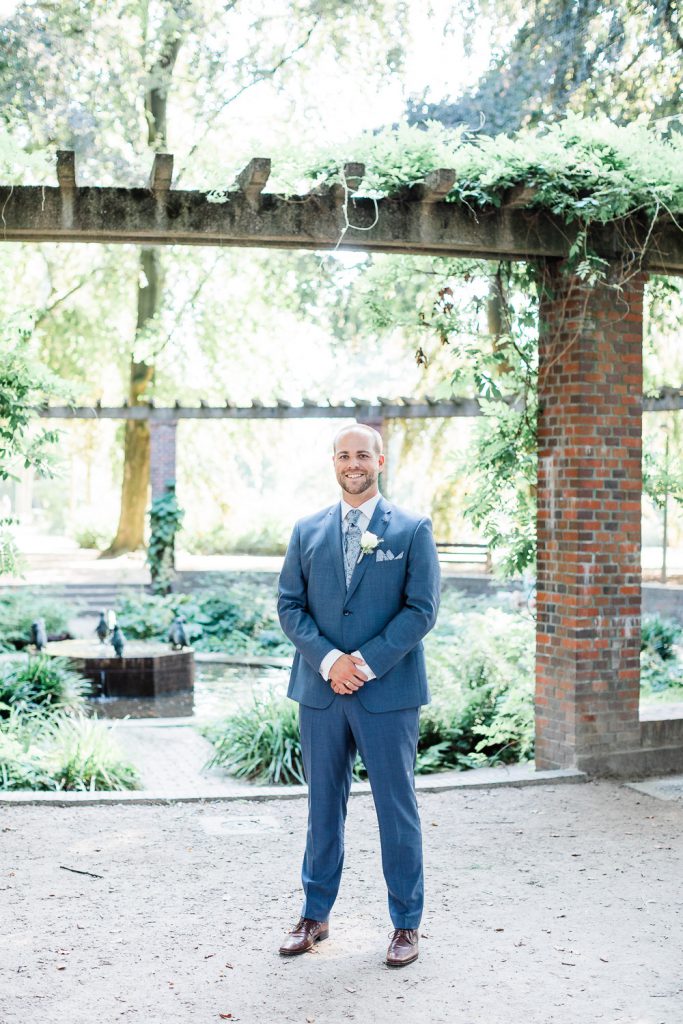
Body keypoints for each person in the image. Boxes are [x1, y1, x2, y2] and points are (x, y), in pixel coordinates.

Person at [277, 423, 440, 967]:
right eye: (344, 455)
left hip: (388, 692)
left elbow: (422, 609)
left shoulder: (412, 529)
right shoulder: (306, 530)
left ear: (380, 461)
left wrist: (363, 664)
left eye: (363, 455)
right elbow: (289, 605)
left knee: (397, 808)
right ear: (334, 462)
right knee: (322, 807)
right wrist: (330, 661)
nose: (354, 463)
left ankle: (406, 924)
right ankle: (314, 915)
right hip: (321, 692)